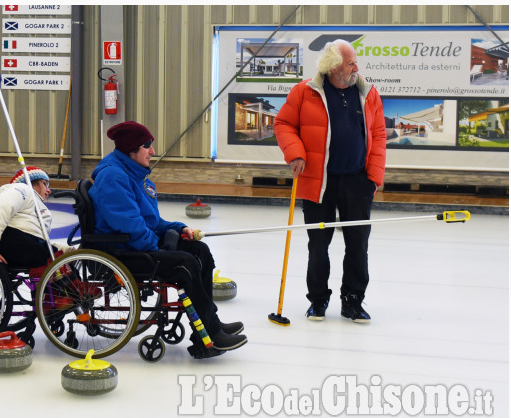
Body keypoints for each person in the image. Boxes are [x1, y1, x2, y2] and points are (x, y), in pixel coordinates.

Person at [88, 121, 247, 353]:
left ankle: (210, 321)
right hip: (121, 251)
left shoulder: (134, 175)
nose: (152, 151)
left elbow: (152, 222)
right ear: (131, 149)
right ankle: (208, 337)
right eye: (147, 145)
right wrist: (159, 248)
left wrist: (179, 228)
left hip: (135, 244)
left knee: (199, 250)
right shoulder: (113, 177)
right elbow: (130, 226)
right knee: (186, 264)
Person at [274, 39, 387, 323]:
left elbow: (380, 135)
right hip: (318, 182)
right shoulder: (304, 91)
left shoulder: (368, 93)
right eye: (351, 63)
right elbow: (283, 124)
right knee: (318, 244)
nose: (356, 68)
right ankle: (318, 301)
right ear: (334, 67)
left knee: (358, 245)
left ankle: (353, 301)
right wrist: (295, 154)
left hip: (357, 183)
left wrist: (373, 176)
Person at [0, 166, 73, 268]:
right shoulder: (22, 189)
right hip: (15, 243)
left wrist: (65, 250)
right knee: (52, 258)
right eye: (45, 184)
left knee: (55, 255)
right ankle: (71, 281)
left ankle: (71, 274)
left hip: (26, 244)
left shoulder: (33, 203)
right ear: (30, 182)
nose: (49, 191)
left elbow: (39, 240)